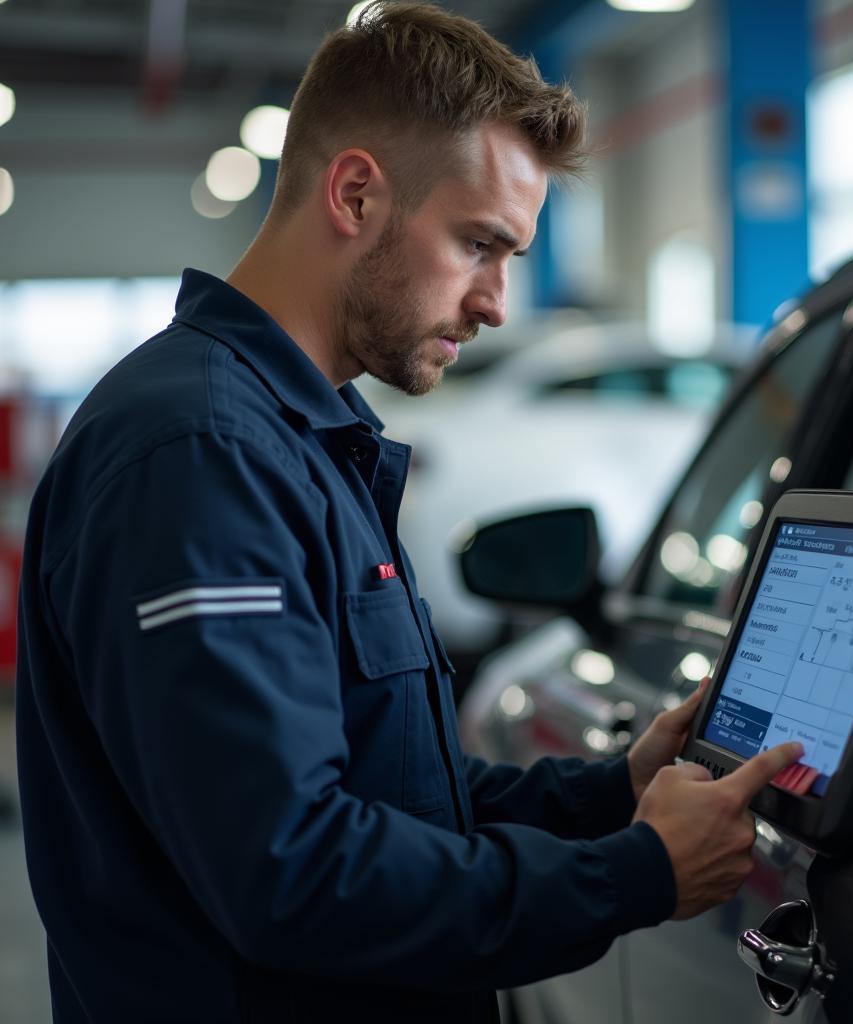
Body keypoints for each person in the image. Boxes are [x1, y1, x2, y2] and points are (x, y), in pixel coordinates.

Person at [15, 4, 801, 1022]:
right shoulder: (200, 454)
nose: (497, 303)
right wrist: (635, 874)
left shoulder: (305, 433)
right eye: (480, 244)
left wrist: (612, 793)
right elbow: (292, 872)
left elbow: (387, 792)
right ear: (353, 194)